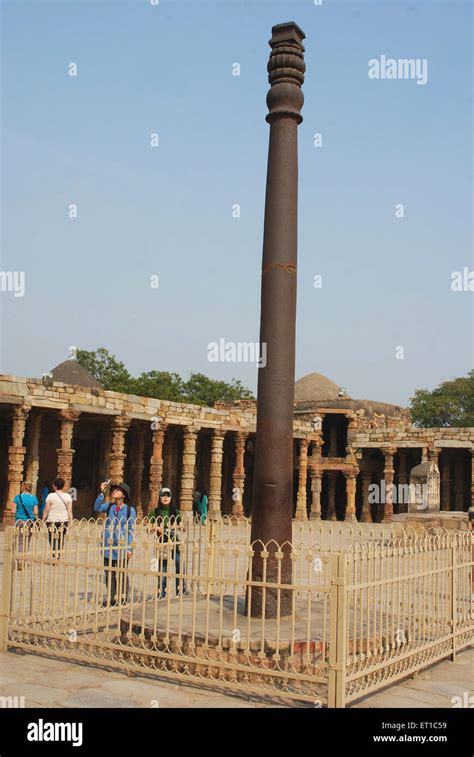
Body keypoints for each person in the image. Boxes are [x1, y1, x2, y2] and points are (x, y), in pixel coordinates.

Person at [94, 482, 136, 606]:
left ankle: (122, 596)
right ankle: (112, 597)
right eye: (113, 490)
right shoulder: (109, 506)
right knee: (109, 573)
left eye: (117, 490)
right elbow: (97, 508)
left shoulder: (129, 510)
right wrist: (102, 492)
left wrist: (129, 549)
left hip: (122, 547)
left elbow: (130, 530)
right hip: (108, 545)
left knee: (122, 573)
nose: (114, 492)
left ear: (123, 495)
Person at [148, 487, 186, 598]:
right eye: (163, 495)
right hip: (161, 542)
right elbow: (147, 527)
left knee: (179, 565)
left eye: (167, 495)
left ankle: (180, 589)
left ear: (171, 498)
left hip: (175, 542)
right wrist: (155, 527)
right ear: (159, 497)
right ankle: (162, 592)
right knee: (162, 568)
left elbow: (183, 527)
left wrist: (176, 526)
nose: (165, 497)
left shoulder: (175, 511)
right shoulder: (154, 512)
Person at [42, 477, 73, 559]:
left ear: (54, 486)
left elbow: (46, 510)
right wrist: (71, 521)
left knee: (51, 537)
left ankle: (54, 552)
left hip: (52, 520)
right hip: (64, 520)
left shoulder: (50, 496)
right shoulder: (67, 496)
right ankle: (58, 552)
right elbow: (69, 511)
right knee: (61, 537)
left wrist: (42, 520)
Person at [12, 481, 38, 568]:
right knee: (27, 541)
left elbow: (13, 511)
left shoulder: (17, 497)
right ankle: (23, 559)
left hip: (19, 521)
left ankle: (19, 559)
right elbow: (36, 512)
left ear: (23, 487)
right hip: (29, 522)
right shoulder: (34, 498)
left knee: (19, 541)